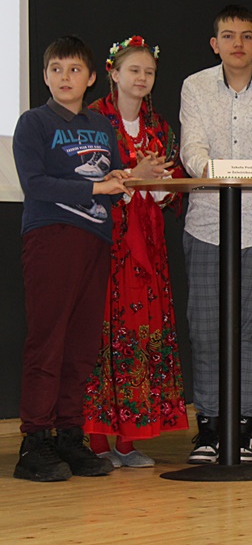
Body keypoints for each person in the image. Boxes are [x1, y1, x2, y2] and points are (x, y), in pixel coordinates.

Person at [179, 5, 252, 464]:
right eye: (228, 36)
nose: (238, 44)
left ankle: (243, 428)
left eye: (246, 36)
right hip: (207, 222)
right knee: (205, 329)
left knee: (250, 329)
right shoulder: (194, 86)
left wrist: (232, 172)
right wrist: (213, 170)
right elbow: (192, 148)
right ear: (215, 44)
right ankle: (209, 428)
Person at [13, 35, 127, 481]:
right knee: (48, 341)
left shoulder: (101, 125)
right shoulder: (33, 122)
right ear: (45, 76)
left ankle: (68, 435)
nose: (65, 77)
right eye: (56, 69)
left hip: (94, 240)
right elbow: (35, 184)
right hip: (51, 237)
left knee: (80, 345)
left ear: (91, 77)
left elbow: (112, 180)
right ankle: (35, 441)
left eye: (74, 69)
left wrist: (132, 176)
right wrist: (97, 187)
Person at [82, 35, 189, 468]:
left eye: (149, 72)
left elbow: (174, 182)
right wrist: (133, 176)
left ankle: (130, 438)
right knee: (101, 334)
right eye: (134, 70)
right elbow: (85, 178)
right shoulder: (91, 121)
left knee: (141, 333)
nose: (142, 78)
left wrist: (161, 185)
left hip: (148, 247)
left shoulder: (159, 127)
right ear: (113, 73)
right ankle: (96, 439)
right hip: (105, 243)